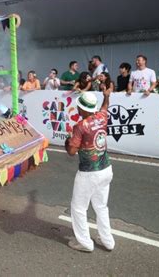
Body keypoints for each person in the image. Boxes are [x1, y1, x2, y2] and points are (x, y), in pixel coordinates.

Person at [65, 88, 115, 252]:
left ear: (82, 109)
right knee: (101, 206)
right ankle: (107, 241)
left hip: (89, 173)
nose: (77, 109)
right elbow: (105, 107)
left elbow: (72, 152)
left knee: (79, 207)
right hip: (106, 168)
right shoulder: (101, 117)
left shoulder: (81, 126)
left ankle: (85, 243)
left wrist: (68, 142)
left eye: (79, 107)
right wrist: (106, 96)